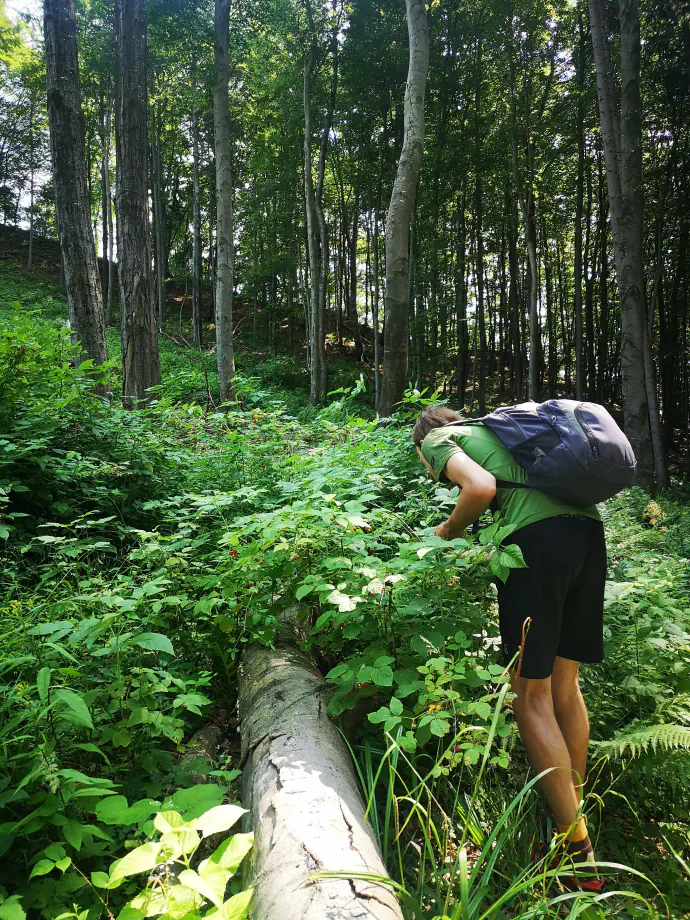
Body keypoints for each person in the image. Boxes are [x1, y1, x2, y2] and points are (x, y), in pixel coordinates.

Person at [413, 404, 606, 893]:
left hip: (536, 545)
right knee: (565, 687)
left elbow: (479, 488)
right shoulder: (506, 434)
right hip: (588, 534)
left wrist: (446, 532)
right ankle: (571, 813)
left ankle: (577, 854)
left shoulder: (439, 440)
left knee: (529, 695)